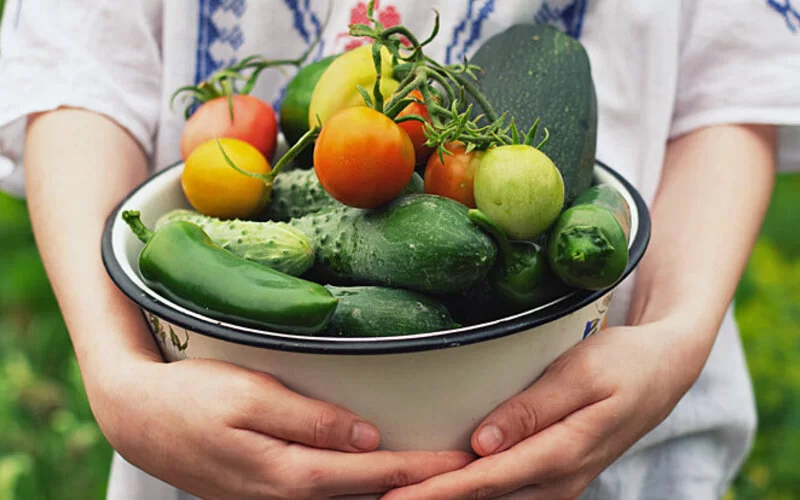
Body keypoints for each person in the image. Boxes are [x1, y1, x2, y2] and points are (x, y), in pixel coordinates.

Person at [1, 1, 798, 498]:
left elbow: (729, 89)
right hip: (216, 444)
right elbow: (82, 74)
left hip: (603, 429)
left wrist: (674, 334)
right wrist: (115, 372)